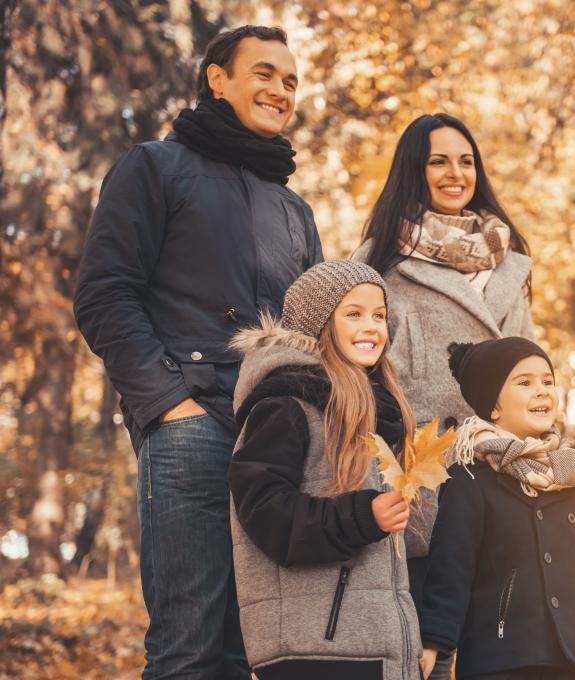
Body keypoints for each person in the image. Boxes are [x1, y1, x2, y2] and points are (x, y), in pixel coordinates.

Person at [72, 25, 322, 679]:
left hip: (275, 441)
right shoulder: (155, 166)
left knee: (256, 652)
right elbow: (104, 295)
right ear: (218, 78)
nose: (280, 90)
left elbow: (313, 330)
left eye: (291, 81)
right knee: (188, 650)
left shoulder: (295, 209)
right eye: (265, 72)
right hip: (190, 426)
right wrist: (168, 403)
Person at [353, 113, 535, 678]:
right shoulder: (380, 262)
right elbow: (361, 383)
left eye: (465, 160)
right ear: (414, 170)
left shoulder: (508, 260)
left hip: (503, 485)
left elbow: (530, 366)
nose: (455, 173)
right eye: (438, 161)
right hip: (425, 494)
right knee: (424, 660)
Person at [226, 260, 423, 680]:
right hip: (315, 646)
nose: (371, 326)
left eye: (379, 315)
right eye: (353, 314)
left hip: (379, 645)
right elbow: (264, 512)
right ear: (318, 321)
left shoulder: (380, 420)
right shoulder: (286, 406)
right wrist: (362, 516)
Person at [419, 338, 575, 680]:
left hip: (574, 654)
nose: (541, 391)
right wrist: (436, 641)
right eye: (524, 383)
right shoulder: (470, 478)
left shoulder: (570, 475)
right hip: (501, 654)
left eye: (547, 381)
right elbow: (452, 567)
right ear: (493, 407)